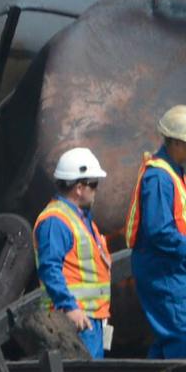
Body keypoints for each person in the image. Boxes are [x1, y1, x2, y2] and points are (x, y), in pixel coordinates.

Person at [127, 105, 186, 358]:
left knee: (169, 338)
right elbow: (158, 230)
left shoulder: (171, 172)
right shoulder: (159, 178)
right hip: (163, 268)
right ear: (175, 142)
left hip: (169, 267)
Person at [33, 148, 111, 357]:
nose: (96, 190)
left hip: (90, 318)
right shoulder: (56, 221)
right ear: (79, 188)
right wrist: (70, 307)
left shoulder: (80, 218)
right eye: (93, 184)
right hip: (75, 320)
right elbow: (50, 269)